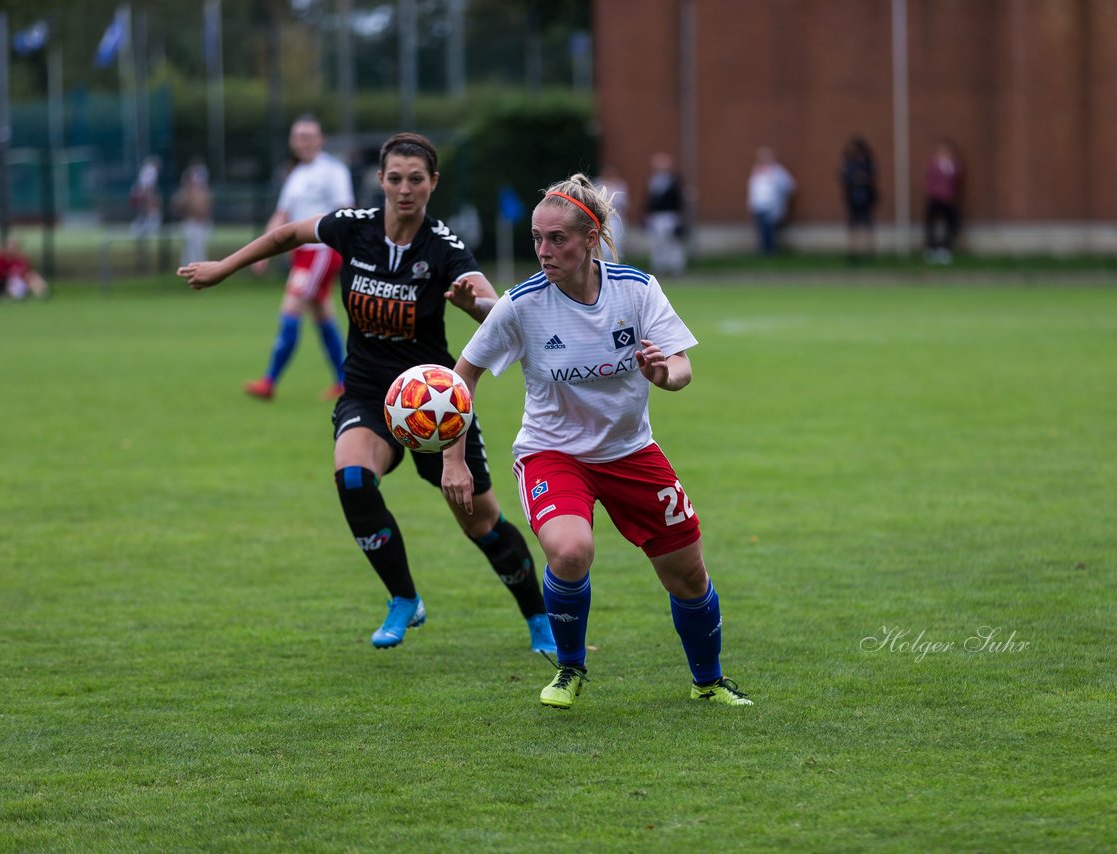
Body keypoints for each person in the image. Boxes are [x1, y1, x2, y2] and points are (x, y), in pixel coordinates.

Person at [177, 131, 556, 656]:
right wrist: (224, 266)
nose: (405, 189)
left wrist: (473, 304)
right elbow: (288, 235)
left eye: (416, 180)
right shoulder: (353, 228)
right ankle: (404, 598)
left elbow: (498, 311)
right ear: (380, 180)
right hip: (367, 394)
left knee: (482, 523)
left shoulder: (443, 247)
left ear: (432, 184)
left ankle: (539, 619)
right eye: (395, 178)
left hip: (434, 406)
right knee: (352, 479)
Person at [441, 173, 752, 709]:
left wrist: (665, 375)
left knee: (688, 574)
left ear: (591, 238)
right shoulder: (522, 304)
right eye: (537, 238)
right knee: (570, 549)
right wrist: (454, 459)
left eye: (556, 238)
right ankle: (570, 668)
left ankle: (709, 681)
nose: (543, 250)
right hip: (552, 453)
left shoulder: (636, 289)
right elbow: (460, 376)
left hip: (631, 451)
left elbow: (681, 365)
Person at [244, 115, 354, 401]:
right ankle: (345, 380)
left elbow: (346, 212)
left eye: (309, 136)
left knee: (291, 307)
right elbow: (281, 215)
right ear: (292, 142)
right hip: (302, 254)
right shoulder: (294, 175)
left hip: (321, 251)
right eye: (299, 137)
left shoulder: (333, 171)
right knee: (321, 314)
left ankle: (269, 381)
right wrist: (262, 251)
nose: (303, 142)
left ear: (321, 140)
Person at [746, 146, 795, 256]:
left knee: (770, 230)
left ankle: (771, 251)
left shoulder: (777, 171)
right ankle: (764, 250)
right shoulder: (756, 172)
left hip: (771, 206)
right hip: (759, 205)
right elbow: (753, 190)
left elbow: (789, 186)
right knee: (762, 230)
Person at [644, 152, 686, 276]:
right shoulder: (652, 180)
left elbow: (679, 199)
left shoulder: (674, 180)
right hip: (656, 216)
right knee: (657, 243)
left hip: (670, 215)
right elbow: (649, 199)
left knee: (673, 242)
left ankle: (675, 266)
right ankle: (659, 266)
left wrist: (680, 216)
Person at [923, 139, 963, 264]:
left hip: (948, 199)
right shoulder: (934, 165)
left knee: (949, 225)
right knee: (931, 224)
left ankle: (945, 249)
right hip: (935, 198)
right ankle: (931, 248)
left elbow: (956, 181)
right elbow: (928, 180)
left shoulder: (953, 166)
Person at [839, 136, 878, 263]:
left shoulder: (868, 162)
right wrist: (855, 178)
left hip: (867, 197)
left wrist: (865, 178)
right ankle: (853, 252)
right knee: (853, 225)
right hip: (853, 197)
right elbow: (843, 177)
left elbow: (873, 175)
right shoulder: (848, 162)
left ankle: (869, 252)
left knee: (868, 224)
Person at [174, 157, 214, 267]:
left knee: (200, 249)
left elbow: (207, 208)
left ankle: (201, 271)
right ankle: (188, 271)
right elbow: (178, 206)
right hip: (190, 222)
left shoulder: (205, 191)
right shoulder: (185, 191)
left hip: (202, 223)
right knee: (189, 250)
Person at [594, 163, 629, 261]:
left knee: (616, 242)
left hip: (615, 219)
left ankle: (614, 263)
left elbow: (624, 203)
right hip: (601, 218)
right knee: (602, 244)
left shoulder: (620, 185)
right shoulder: (597, 183)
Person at [129, 155, 163, 238]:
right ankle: (146, 228)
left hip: (138, 191)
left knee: (144, 212)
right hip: (142, 192)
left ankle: (140, 228)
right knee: (149, 210)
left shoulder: (146, 168)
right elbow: (147, 185)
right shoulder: (151, 169)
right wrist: (150, 197)